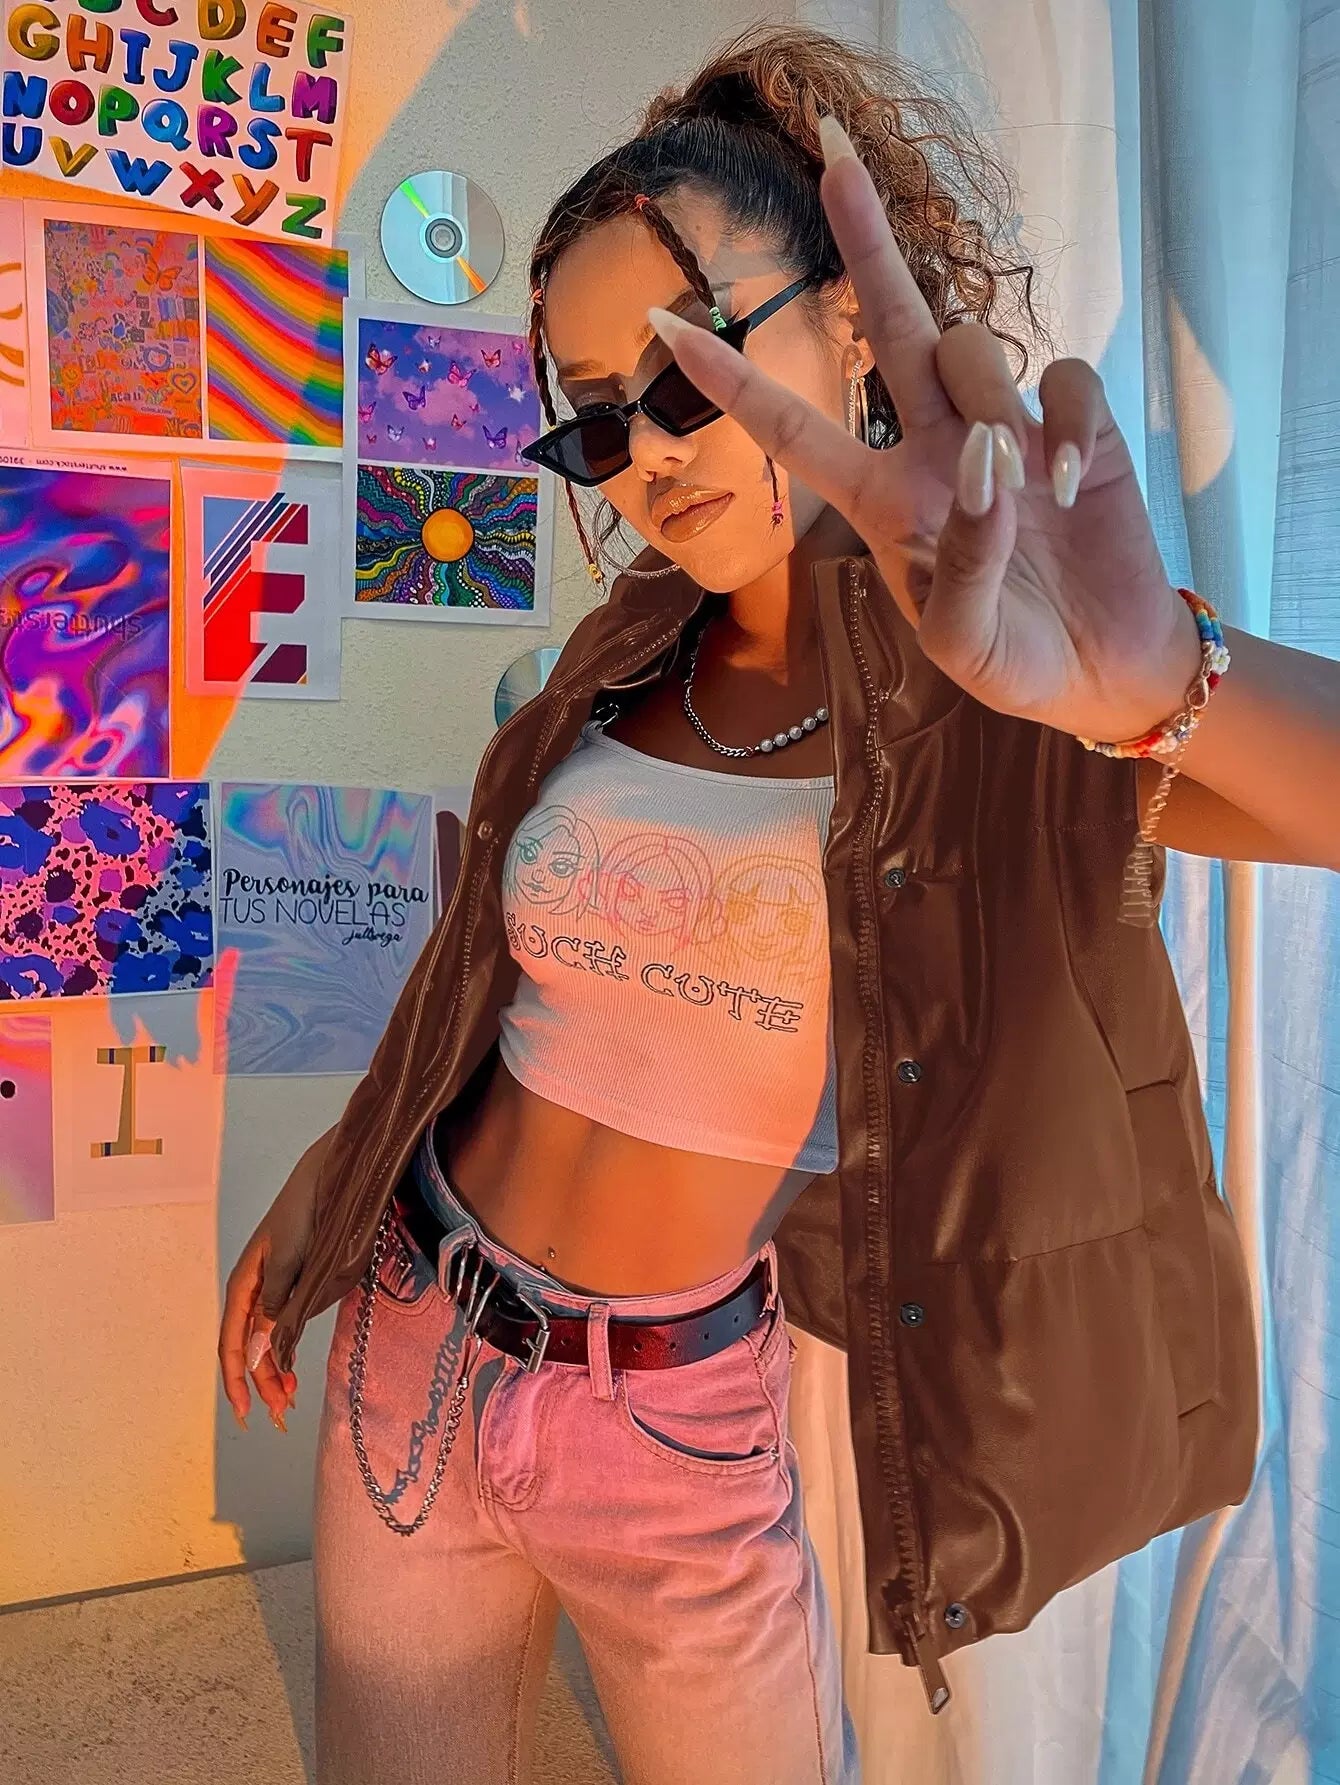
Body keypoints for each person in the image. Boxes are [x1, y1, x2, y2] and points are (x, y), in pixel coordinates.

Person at [217, 25, 1340, 1785]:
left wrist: (1149, 676)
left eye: (688, 371)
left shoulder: (1001, 701)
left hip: (677, 1429)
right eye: (597, 420)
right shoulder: (613, 660)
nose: (649, 452)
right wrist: (337, 1165)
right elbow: (492, 985)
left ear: (846, 326)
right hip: (411, 1331)